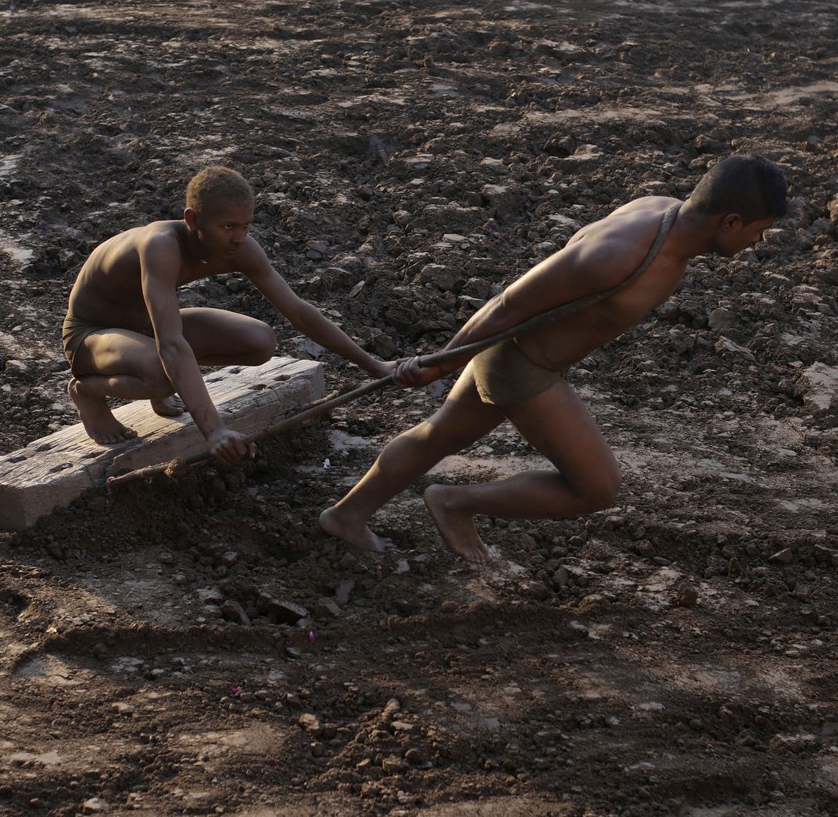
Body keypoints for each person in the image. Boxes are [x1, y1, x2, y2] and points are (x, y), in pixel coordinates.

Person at [320, 154, 787, 562]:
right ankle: (454, 502)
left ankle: (346, 516)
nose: (757, 243)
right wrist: (442, 363)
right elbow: (509, 305)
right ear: (729, 221)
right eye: (758, 231)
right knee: (596, 488)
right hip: (523, 367)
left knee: (437, 435)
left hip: (524, 358)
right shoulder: (622, 252)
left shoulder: (666, 219)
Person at [62, 165, 398, 462]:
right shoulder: (160, 246)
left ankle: (155, 382)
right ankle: (88, 392)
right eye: (227, 226)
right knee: (164, 370)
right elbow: (172, 344)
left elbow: (298, 311)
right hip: (91, 336)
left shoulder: (239, 248)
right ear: (193, 219)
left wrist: (374, 366)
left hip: (145, 329)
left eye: (246, 225)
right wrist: (215, 430)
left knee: (259, 341)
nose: (239, 237)